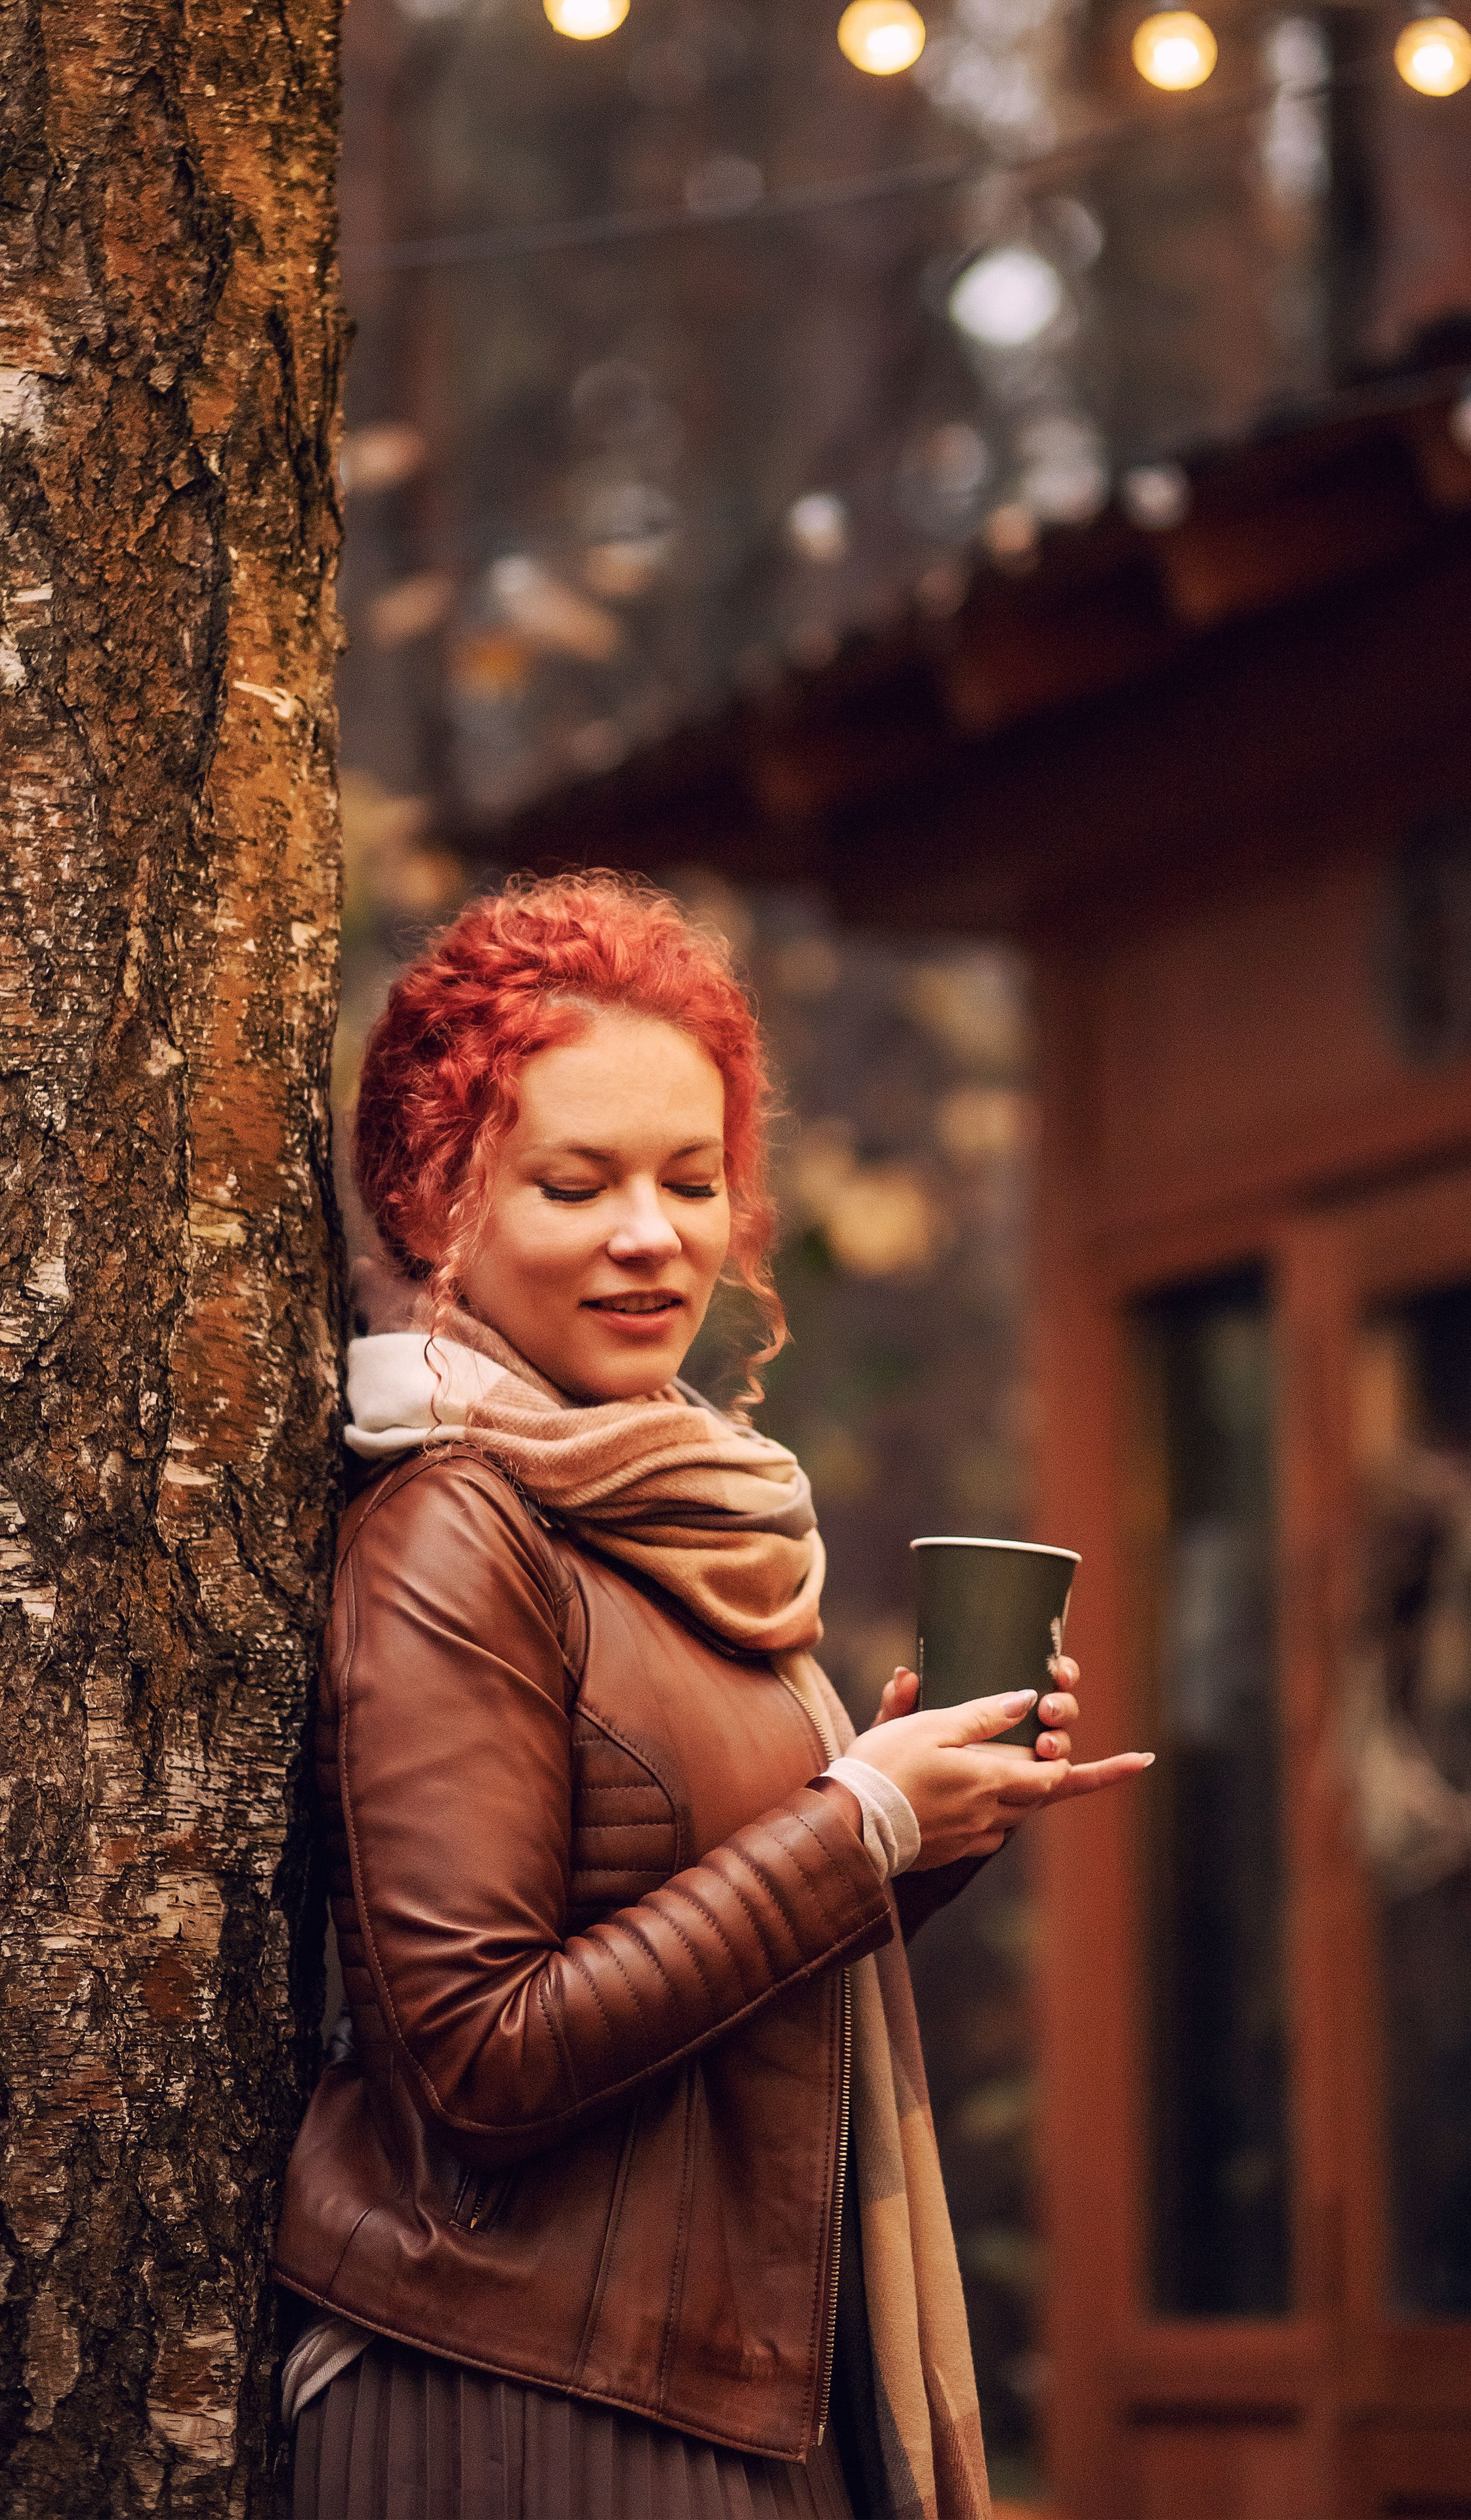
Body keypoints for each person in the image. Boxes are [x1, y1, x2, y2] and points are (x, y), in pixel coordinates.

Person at [274, 873, 1151, 2520]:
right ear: (435, 1201)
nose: (651, 1235)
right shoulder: (452, 1527)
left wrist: (927, 1817)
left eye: (690, 1181)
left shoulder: (683, 1507)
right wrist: (855, 1825)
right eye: (574, 1184)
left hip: (710, 2380)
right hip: (518, 2400)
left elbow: (721, 1965)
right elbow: (475, 2062)